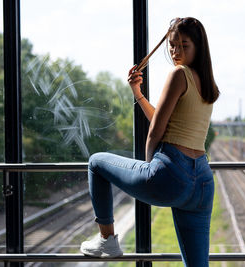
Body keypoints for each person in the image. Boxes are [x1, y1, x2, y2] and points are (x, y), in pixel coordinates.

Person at [80, 17, 219, 266]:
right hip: (203, 184)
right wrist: (139, 95)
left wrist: (151, 166)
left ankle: (107, 239)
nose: (176, 51)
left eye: (183, 45)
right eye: (172, 45)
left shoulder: (179, 74)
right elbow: (166, 121)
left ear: (197, 46)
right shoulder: (207, 83)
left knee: (95, 163)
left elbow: (156, 129)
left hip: (171, 173)